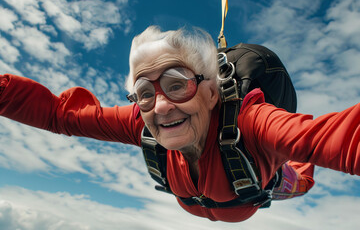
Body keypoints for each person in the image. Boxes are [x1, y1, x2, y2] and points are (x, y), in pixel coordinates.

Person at [0, 26, 359, 222]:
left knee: (302, 176)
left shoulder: (254, 123)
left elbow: (339, 138)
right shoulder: (142, 120)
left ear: (211, 93)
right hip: (216, 199)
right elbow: (60, 115)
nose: (161, 105)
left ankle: (285, 165)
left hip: (264, 179)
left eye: (177, 84)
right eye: (143, 91)